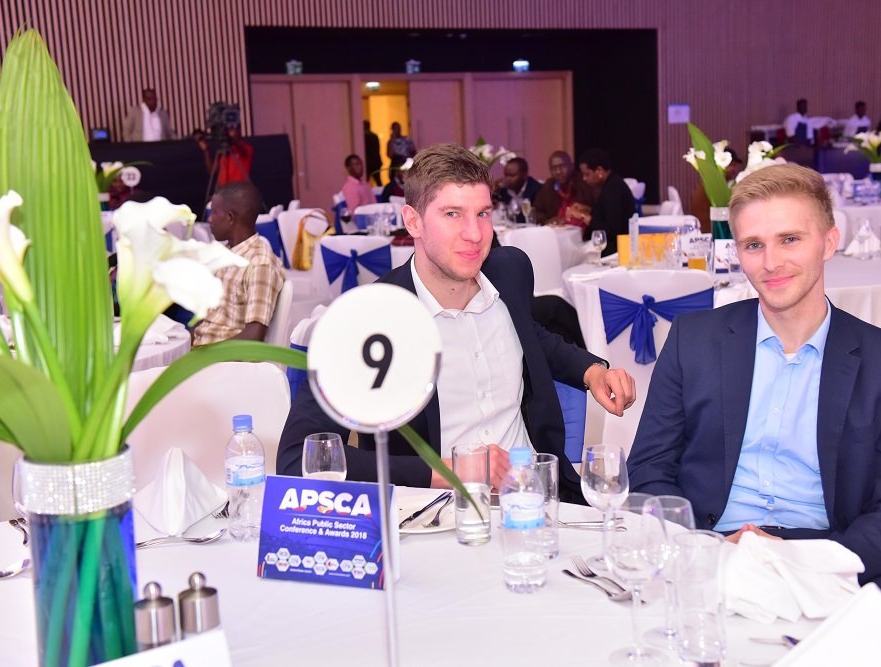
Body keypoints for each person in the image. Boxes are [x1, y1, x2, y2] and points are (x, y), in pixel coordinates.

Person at [626, 163, 881, 660]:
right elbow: (649, 469)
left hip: (837, 560)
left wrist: (804, 559)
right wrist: (703, 547)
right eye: (753, 245)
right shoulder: (692, 341)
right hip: (715, 552)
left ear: (829, 241)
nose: (771, 262)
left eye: (789, 239)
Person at [278, 143, 636, 502]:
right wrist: (449, 471)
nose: (475, 234)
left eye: (482, 213)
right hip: (434, 514)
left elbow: (529, 335)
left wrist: (592, 371)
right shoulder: (369, 319)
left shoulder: (509, 271)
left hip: (539, 500)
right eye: (452, 214)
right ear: (413, 221)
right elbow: (297, 459)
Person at [192, 181, 284, 346]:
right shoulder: (226, 254)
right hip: (201, 350)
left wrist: (203, 356)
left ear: (230, 218)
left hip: (222, 358)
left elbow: (254, 336)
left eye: (214, 212)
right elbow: (207, 318)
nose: (209, 219)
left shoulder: (259, 263)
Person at [579, 148, 636, 255]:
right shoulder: (612, 183)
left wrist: (584, 217)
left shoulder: (612, 189)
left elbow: (612, 229)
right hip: (616, 247)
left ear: (599, 170)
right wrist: (586, 210)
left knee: (578, 253)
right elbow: (606, 213)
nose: (584, 178)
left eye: (587, 174)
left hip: (617, 251)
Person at [531, 150, 595, 232]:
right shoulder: (549, 186)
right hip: (557, 233)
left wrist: (583, 211)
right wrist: (548, 220)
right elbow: (536, 211)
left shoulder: (584, 182)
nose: (558, 172)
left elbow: (597, 210)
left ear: (571, 165)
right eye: (554, 168)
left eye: (562, 166)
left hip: (584, 233)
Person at [690, 147, 743, 233]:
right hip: (709, 230)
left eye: (735, 166)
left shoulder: (711, 181)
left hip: (706, 228)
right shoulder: (714, 184)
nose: (734, 169)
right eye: (731, 165)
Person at [493, 156, 542, 223]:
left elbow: (533, 217)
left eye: (512, 175)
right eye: (506, 175)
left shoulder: (536, 190)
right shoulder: (503, 190)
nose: (507, 179)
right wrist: (494, 192)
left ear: (524, 175)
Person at [363, 120, 383, 187]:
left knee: (367, 179)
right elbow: (377, 148)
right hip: (375, 161)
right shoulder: (374, 136)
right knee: (378, 180)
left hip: (369, 162)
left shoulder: (364, 137)